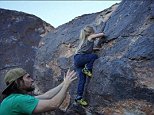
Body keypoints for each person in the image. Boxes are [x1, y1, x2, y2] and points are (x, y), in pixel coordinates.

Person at [0, 67, 76, 115]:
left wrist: (64, 82)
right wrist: (66, 85)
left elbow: (47, 95)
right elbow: (54, 104)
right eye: (28, 77)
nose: (32, 80)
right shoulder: (19, 100)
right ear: (18, 81)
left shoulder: (11, 99)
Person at [74, 25, 105, 106]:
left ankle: (79, 97)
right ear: (91, 33)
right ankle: (87, 68)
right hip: (80, 58)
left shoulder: (83, 41)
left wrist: (96, 49)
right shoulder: (90, 37)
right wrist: (103, 33)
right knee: (94, 56)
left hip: (77, 61)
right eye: (93, 32)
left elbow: (88, 50)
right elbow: (101, 34)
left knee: (82, 80)